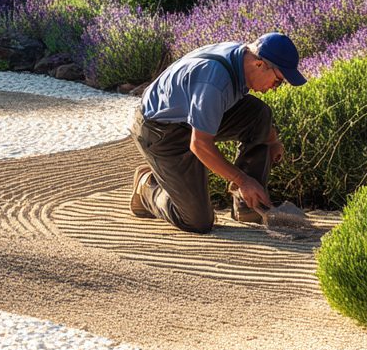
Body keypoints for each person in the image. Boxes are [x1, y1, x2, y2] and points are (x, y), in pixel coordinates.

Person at [129, 32, 307, 233]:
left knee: (259, 114)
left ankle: (248, 205)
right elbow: (200, 145)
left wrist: (273, 141)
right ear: (259, 65)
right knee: (197, 221)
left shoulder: (241, 58)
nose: (275, 88)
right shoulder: (215, 82)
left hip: (186, 118)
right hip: (160, 132)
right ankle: (147, 186)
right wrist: (243, 180)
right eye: (278, 81)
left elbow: (248, 118)